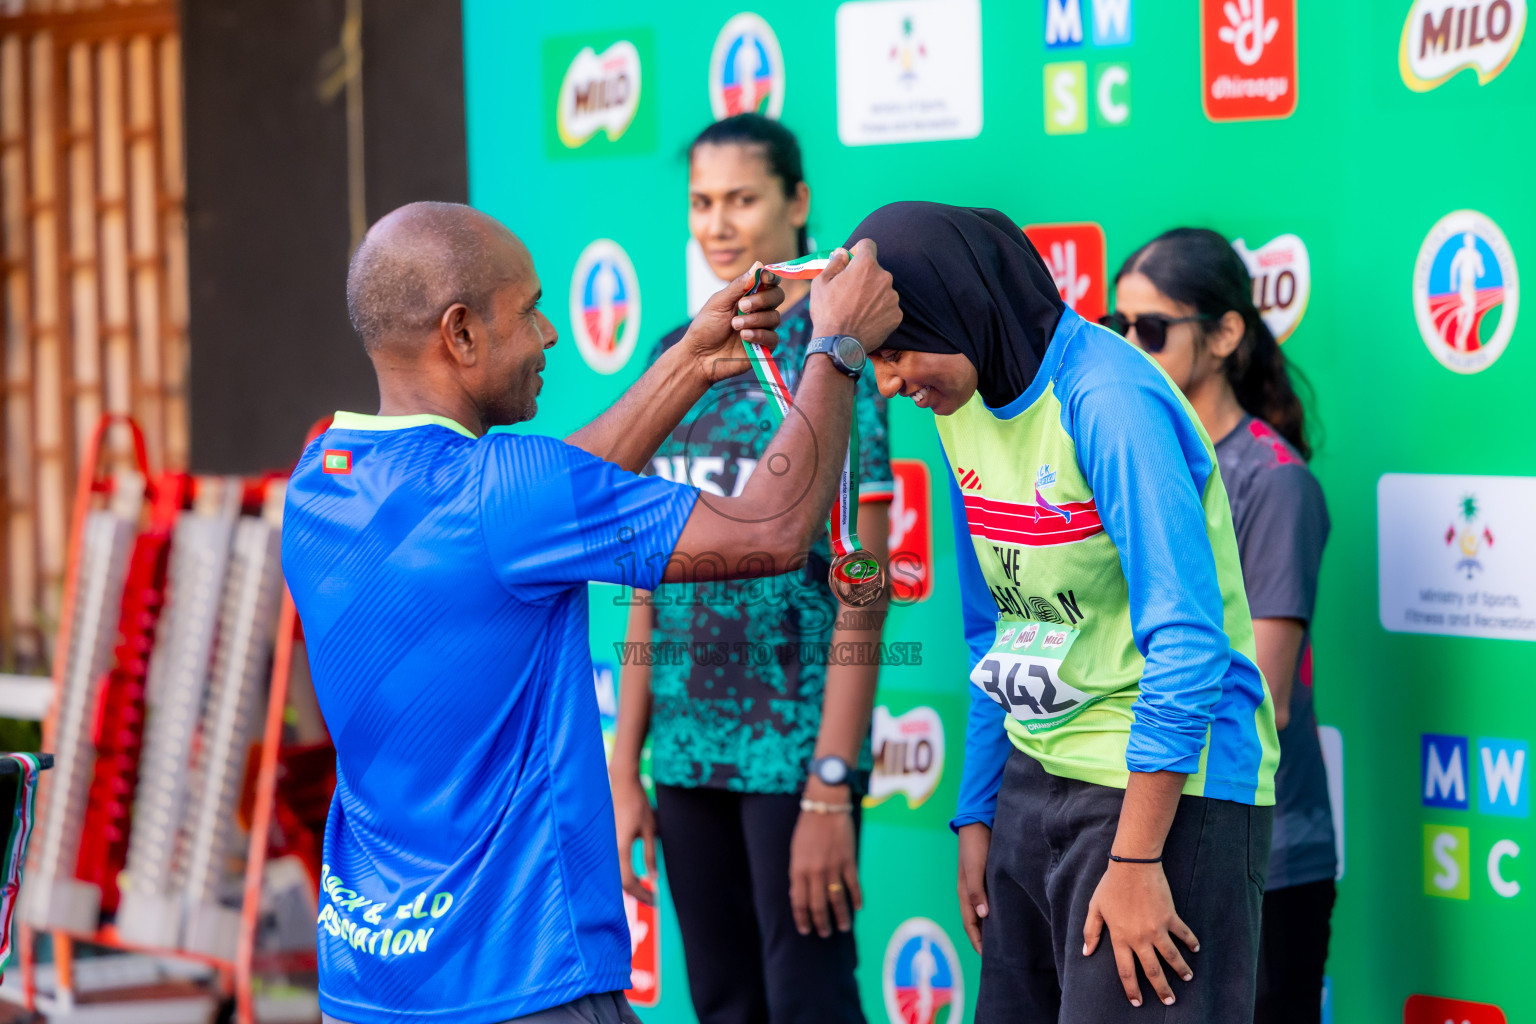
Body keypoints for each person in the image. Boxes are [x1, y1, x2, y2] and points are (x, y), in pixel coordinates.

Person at [281, 201, 902, 1024]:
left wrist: (687, 363)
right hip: (524, 982)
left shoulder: (320, 478)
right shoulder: (508, 494)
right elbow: (775, 528)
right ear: (460, 334)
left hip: (368, 985)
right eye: (528, 309)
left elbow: (540, 501)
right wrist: (837, 349)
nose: (550, 334)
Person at [856, 202, 1279, 1023]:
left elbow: (1190, 643)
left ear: (959, 307)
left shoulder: (1108, 398)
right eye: (874, 359)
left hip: (1163, 795)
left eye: (898, 352)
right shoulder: (963, 405)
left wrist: (1136, 855)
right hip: (1033, 777)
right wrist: (979, 810)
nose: (888, 383)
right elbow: (997, 630)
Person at [609, 114, 891, 1024]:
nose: (719, 222)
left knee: (809, 1005)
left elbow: (864, 596)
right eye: (701, 201)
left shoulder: (837, 359)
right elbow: (646, 577)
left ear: (797, 202)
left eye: (742, 198)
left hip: (794, 760)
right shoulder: (674, 359)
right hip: (684, 757)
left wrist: (829, 787)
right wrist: (625, 770)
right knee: (724, 1006)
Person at [1108, 228, 1333, 1024]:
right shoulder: (1125, 457)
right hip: (1148, 824)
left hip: (1255, 842)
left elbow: (1263, 699)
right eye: (1118, 327)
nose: (1130, 347)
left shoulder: (1273, 481)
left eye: (1153, 329)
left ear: (1226, 334)